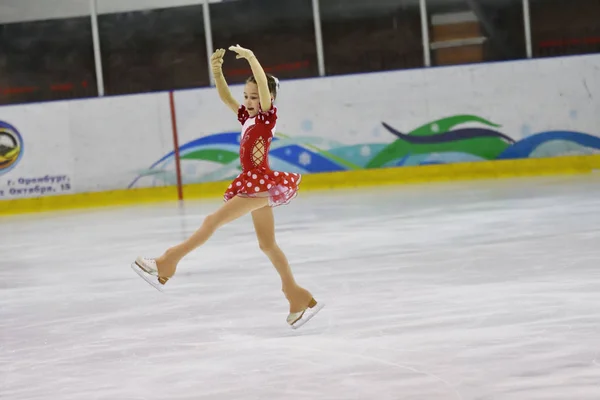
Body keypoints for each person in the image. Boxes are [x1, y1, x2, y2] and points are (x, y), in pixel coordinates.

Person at [131, 45, 323, 329]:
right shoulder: (247, 117)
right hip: (255, 182)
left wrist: (252, 59)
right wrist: (217, 72)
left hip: (258, 184)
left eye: (255, 96)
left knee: (212, 220)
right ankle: (295, 294)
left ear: (267, 97)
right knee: (267, 244)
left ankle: (167, 263)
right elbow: (225, 97)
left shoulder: (267, 118)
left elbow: (262, 89)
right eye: (246, 96)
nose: (248, 100)